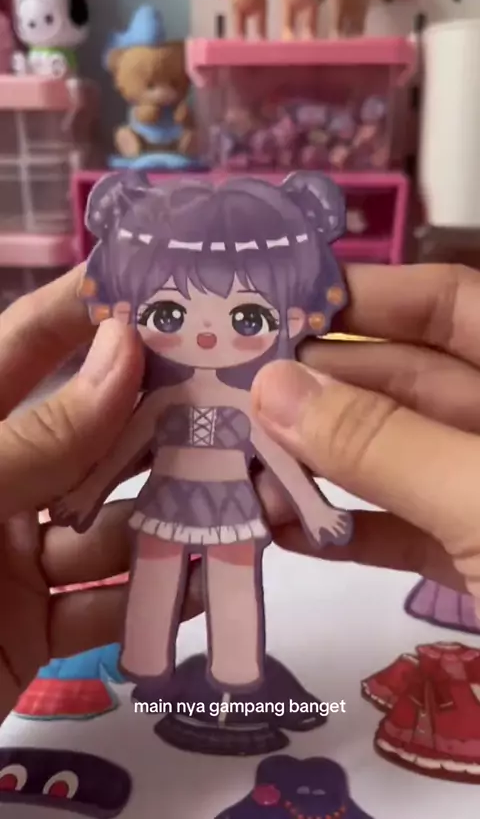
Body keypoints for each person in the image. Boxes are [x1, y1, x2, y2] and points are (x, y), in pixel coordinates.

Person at [0, 260, 478, 722]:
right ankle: (146, 656)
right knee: (155, 580)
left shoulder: (250, 401)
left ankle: (236, 665)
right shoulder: (162, 401)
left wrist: (313, 508)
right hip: (167, 502)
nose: (208, 335)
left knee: (231, 585)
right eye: (175, 315)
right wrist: (88, 494)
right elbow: (120, 453)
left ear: (287, 323)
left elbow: (279, 459)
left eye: (246, 319)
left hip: (233, 503)